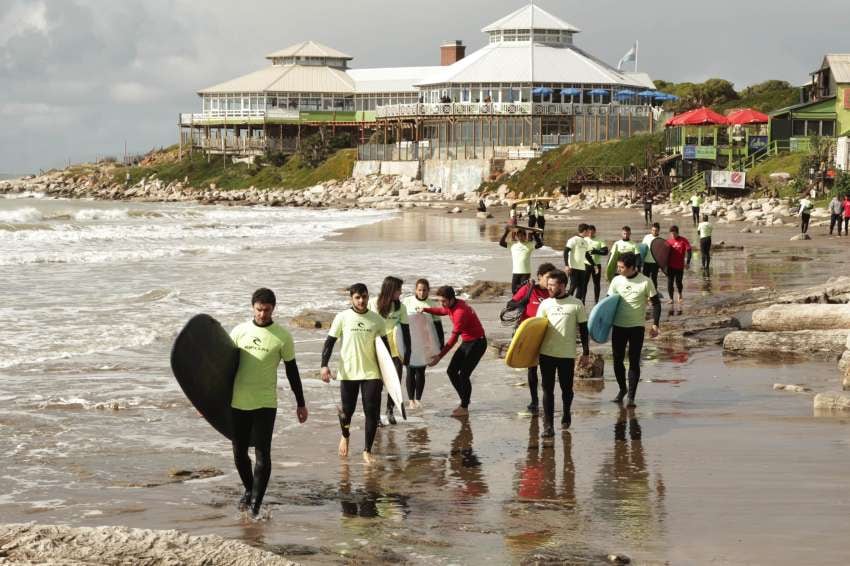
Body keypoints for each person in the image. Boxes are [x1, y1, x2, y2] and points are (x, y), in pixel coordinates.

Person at [229, 288, 308, 518]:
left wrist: (300, 403)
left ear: (274, 308)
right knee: (239, 454)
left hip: (265, 402)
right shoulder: (239, 332)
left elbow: (292, 372)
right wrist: (208, 400)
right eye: (259, 309)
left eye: (267, 310)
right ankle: (249, 488)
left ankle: (255, 505)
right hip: (238, 401)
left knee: (263, 454)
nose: (262, 314)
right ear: (252, 307)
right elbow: (224, 369)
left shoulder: (282, 336)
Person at [321, 284, 390, 465]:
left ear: (368, 297)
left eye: (364, 297)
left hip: (372, 372)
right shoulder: (342, 317)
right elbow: (329, 342)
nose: (361, 301)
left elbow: (386, 350)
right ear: (351, 298)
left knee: (372, 413)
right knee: (347, 411)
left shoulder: (377, 320)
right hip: (348, 371)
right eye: (357, 297)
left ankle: (367, 450)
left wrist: (387, 375)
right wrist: (324, 366)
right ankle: (345, 435)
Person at [536, 270, 590, 437]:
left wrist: (586, 352)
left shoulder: (576, 304)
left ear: (563, 285)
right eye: (548, 285)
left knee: (566, 389)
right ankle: (548, 426)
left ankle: (566, 411)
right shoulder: (544, 304)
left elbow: (583, 329)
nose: (549, 288)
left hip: (567, 354)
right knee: (547, 389)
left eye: (552, 285)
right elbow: (535, 330)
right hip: (547, 353)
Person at [421, 286, 487, 417]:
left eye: (444, 301)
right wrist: (425, 309)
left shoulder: (460, 313)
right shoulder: (452, 305)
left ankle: (464, 406)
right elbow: (441, 310)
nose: (442, 304)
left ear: (452, 299)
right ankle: (464, 401)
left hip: (478, 343)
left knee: (463, 375)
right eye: (440, 301)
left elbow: (452, 340)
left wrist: (439, 357)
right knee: (451, 371)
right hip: (468, 341)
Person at [608, 253, 661, 406]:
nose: (618, 270)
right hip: (618, 326)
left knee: (634, 361)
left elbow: (656, 303)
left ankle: (631, 396)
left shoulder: (645, 281)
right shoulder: (616, 280)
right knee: (617, 361)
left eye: (621, 267)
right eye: (618, 267)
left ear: (632, 267)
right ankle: (622, 389)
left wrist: (655, 324)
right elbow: (607, 305)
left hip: (636, 327)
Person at [511, 262, 558, 416]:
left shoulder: (553, 292)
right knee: (532, 369)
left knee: (546, 369)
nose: (550, 282)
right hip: (530, 335)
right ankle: (534, 400)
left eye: (552, 278)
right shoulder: (528, 289)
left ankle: (546, 398)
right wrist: (521, 302)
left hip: (548, 335)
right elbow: (510, 304)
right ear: (539, 277)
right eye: (547, 278)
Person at [368, 276, 411, 425]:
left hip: (395, 349)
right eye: (399, 289)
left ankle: (390, 410)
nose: (400, 292)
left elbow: (406, 331)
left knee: (395, 382)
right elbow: (369, 327)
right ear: (391, 289)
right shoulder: (373, 303)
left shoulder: (401, 307)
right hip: (378, 350)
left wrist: (408, 352)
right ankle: (376, 416)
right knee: (377, 386)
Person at [402, 279, 445, 409]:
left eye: (424, 290)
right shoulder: (407, 302)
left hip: (425, 342)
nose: (422, 292)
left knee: (420, 371)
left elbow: (438, 327)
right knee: (410, 370)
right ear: (415, 290)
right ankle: (411, 400)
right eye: (419, 290)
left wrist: (441, 346)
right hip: (410, 341)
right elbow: (401, 323)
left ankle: (418, 399)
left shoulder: (432, 304)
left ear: (428, 290)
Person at [500, 226, 544, 293]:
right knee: (514, 291)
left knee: (523, 292)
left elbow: (540, 244)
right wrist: (506, 232)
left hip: (525, 272)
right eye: (519, 235)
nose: (520, 237)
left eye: (522, 235)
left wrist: (534, 234)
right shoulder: (512, 245)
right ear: (517, 236)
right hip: (515, 272)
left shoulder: (529, 245)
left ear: (525, 236)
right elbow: (501, 243)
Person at [564, 223, 594, 304]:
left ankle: (576, 303)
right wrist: (566, 265)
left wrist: (594, 265)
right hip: (573, 267)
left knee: (581, 287)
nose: (589, 232)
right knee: (573, 286)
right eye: (588, 231)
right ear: (585, 231)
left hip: (582, 268)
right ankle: (567, 303)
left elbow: (587, 255)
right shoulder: (573, 239)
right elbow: (566, 251)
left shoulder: (585, 241)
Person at [665, 226, 692, 304]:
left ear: (677, 233)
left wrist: (688, 262)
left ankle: (680, 294)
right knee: (670, 282)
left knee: (678, 282)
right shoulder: (668, 241)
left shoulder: (683, 240)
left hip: (680, 266)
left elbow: (689, 251)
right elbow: (663, 254)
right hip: (670, 266)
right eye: (671, 234)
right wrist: (663, 265)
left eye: (674, 234)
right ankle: (671, 299)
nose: (672, 236)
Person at [585, 225, 608, 304]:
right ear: (587, 232)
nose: (590, 234)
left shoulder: (600, 240)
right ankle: (583, 300)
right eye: (589, 232)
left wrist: (596, 251)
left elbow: (605, 252)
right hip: (586, 265)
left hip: (597, 265)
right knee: (584, 283)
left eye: (592, 232)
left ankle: (596, 301)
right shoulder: (584, 240)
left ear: (595, 231)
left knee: (596, 283)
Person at [641, 223, 662, 293]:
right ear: (651, 230)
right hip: (646, 261)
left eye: (656, 230)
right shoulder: (646, 237)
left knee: (654, 279)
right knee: (645, 278)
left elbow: (662, 253)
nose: (654, 232)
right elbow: (642, 248)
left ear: (659, 231)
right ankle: (644, 292)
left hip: (655, 262)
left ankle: (654, 293)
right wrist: (641, 260)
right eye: (653, 230)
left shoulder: (660, 240)